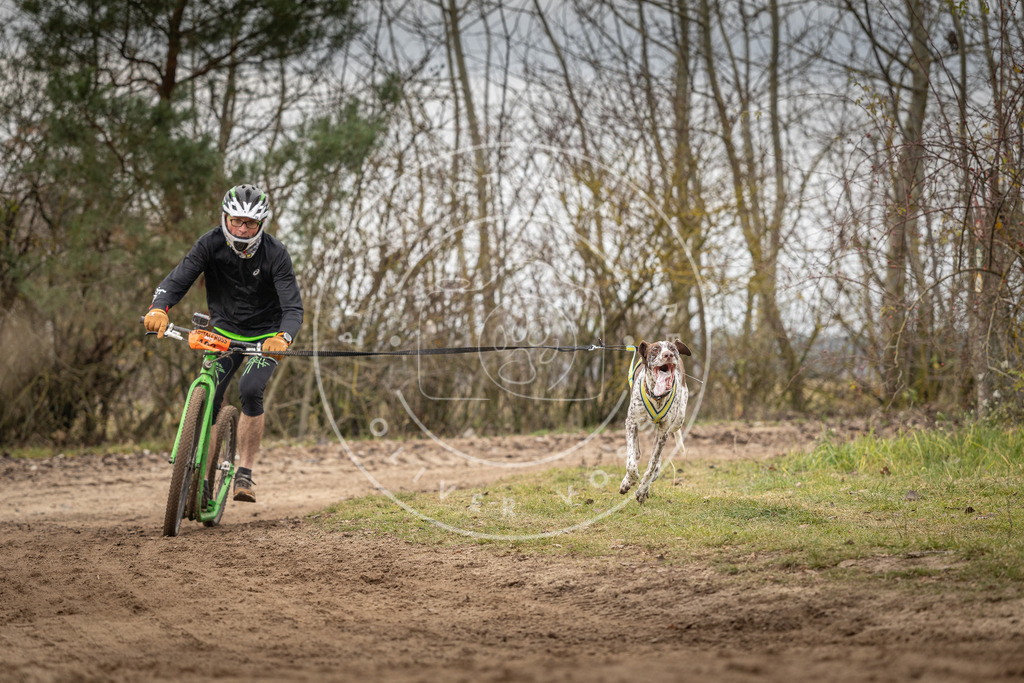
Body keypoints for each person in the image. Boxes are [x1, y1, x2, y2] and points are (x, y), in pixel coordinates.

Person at [143, 184, 303, 503]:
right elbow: (178, 278)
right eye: (236, 221)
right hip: (224, 331)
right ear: (225, 218)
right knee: (211, 395)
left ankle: (245, 472)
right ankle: (202, 478)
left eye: (251, 223)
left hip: (264, 335)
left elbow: (293, 307)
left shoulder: (276, 253)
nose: (242, 229)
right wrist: (159, 307)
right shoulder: (210, 243)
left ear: (261, 224)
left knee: (249, 389)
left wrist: (283, 337)